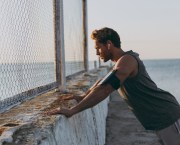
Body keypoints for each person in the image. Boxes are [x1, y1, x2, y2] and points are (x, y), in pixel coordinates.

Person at [47, 27, 180, 145]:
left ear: (109, 44)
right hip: (159, 118)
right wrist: (83, 96)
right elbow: (102, 82)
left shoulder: (127, 61)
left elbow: (105, 89)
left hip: (167, 116)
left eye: (98, 48)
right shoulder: (119, 62)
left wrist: (72, 111)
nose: (97, 53)